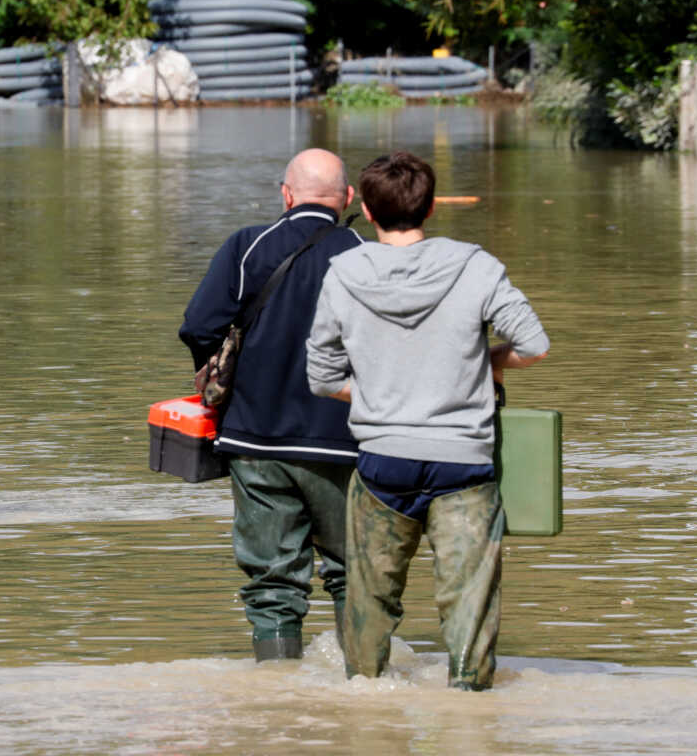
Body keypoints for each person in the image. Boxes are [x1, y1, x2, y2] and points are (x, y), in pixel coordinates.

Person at [306, 151, 549, 690]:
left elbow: (321, 377)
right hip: (462, 463)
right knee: (470, 605)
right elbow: (534, 346)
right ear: (432, 207)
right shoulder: (476, 266)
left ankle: (364, 702)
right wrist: (487, 364)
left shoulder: (343, 274)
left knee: (369, 599)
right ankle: (470, 708)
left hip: (382, 463)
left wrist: (377, 397)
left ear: (366, 211)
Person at [179, 148, 365, 661]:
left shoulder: (247, 245)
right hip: (343, 443)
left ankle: (277, 690)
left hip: (254, 440)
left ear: (286, 196)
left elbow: (198, 326)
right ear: (347, 198)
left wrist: (227, 375)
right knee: (355, 573)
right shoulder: (364, 254)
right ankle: (366, 684)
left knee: (272, 584)